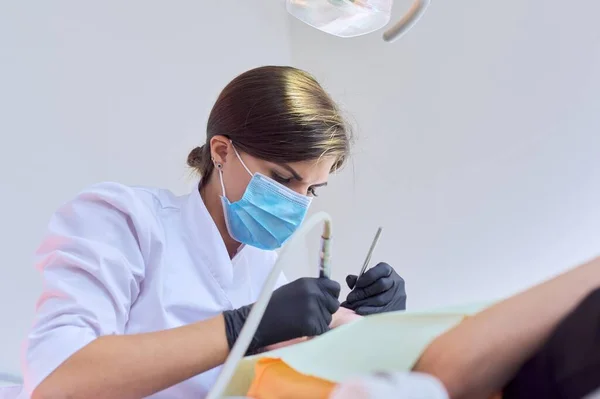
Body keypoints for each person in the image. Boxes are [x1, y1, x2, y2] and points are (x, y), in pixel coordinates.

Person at [21, 65, 407, 399]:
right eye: (283, 179)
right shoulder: (125, 221)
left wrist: (357, 329)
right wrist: (240, 328)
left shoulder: (262, 266)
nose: (297, 204)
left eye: (312, 190)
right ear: (221, 152)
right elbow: (58, 380)